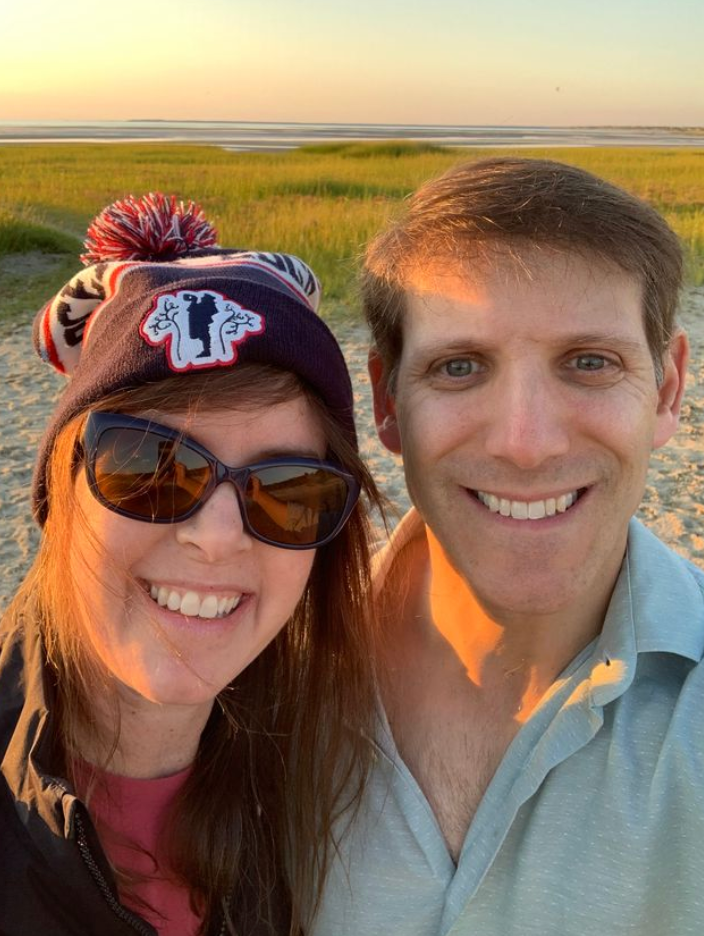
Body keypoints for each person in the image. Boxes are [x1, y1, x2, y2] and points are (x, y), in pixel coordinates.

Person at [309, 158, 704, 934]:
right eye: (460, 368)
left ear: (665, 388)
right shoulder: (261, 673)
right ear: (387, 407)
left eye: (589, 362)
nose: (526, 444)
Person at [0, 193, 383, 936]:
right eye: (149, 467)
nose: (216, 536)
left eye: (288, 492)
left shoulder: (328, 776)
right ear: (62, 488)